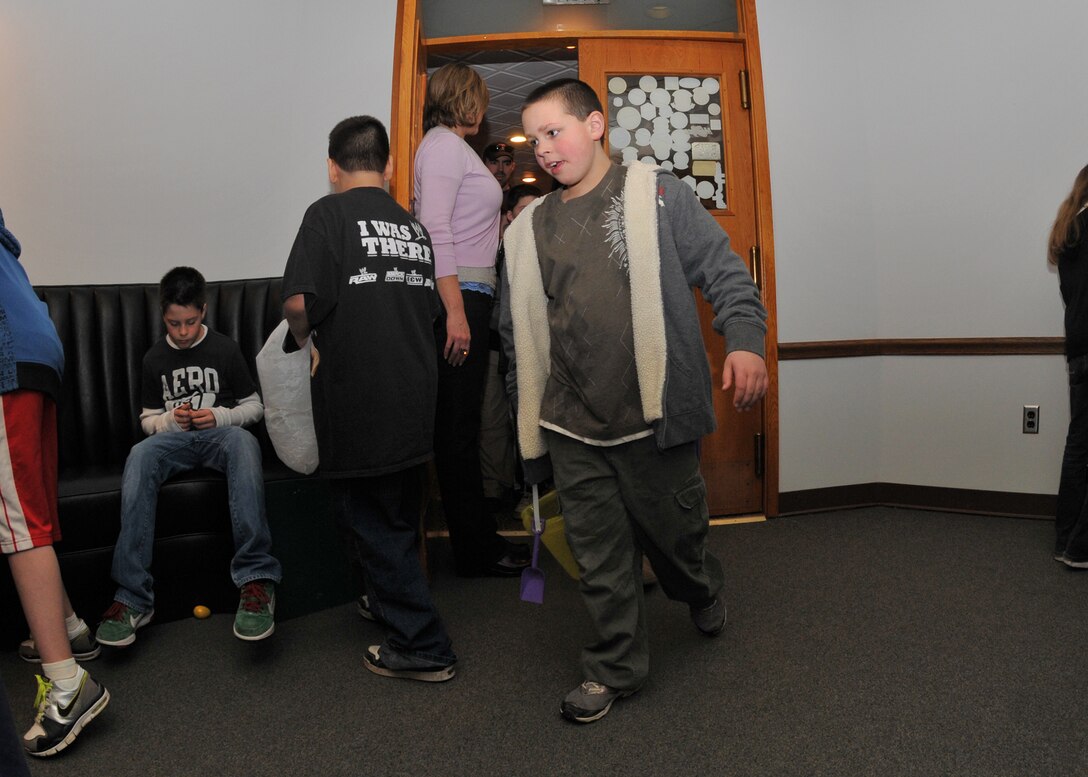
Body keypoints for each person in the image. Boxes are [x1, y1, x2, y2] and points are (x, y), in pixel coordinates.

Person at [500, 79, 769, 723]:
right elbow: (519, 334)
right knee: (599, 558)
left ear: (595, 126)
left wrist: (746, 341)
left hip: (651, 422)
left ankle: (700, 588)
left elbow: (724, 270)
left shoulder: (657, 195)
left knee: (678, 542)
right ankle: (614, 667)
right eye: (534, 138)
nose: (543, 149)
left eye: (553, 131)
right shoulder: (530, 226)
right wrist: (524, 412)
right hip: (570, 423)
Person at [282, 115, 457, 682]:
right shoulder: (413, 228)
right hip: (413, 394)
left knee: (371, 521)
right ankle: (385, 604)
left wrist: (306, 338)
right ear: (387, 167)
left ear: (332, 167)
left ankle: (423, 644)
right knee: (397, 514)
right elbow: (429, 313)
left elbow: (296, 305)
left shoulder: (325, 214)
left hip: (359, 397)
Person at [96, 267, 282, 646]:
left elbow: (254, 407)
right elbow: (147, 420)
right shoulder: (154, 358)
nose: (182, 332)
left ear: (204, 311)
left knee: (244, 444)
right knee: (140, 454)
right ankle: (132, 598)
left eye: (191, 322)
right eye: (174, 323)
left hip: (221, 436)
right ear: (162, 315)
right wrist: (169, 420)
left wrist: (219, 415)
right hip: (175, 440)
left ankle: (256, 581)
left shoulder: (225, 349)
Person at [0, 207, 110, 757]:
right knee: (30, 509)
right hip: (37, 348)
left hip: (5, 358)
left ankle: (68, 687)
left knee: (16, 523)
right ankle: (68, 626)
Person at [414, 62, 528, 577]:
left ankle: (478, 540)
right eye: (479, 99)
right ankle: (475, 551)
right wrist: (456, 311)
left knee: (461, 428)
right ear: (467, 101)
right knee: (457, 432)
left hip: (473, 292)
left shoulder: (450, 148)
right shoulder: (441, 146)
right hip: (458, 298)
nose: (483, 111)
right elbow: (435, 228)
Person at [480, 184, 542, 515]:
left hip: (532, 352)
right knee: (492, 424)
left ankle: (534, 491)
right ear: (509, 215)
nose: (530, 219)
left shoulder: (547, 251)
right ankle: (496, 494)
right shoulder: (492, 248)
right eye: (523, 212)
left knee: (531, 421)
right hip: (493, 349)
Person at [1051, 163, 1088, 567]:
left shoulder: (1068, 230)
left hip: (1077, 346)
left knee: (1078, 445)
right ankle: (1081, 547)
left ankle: (1066, 539)